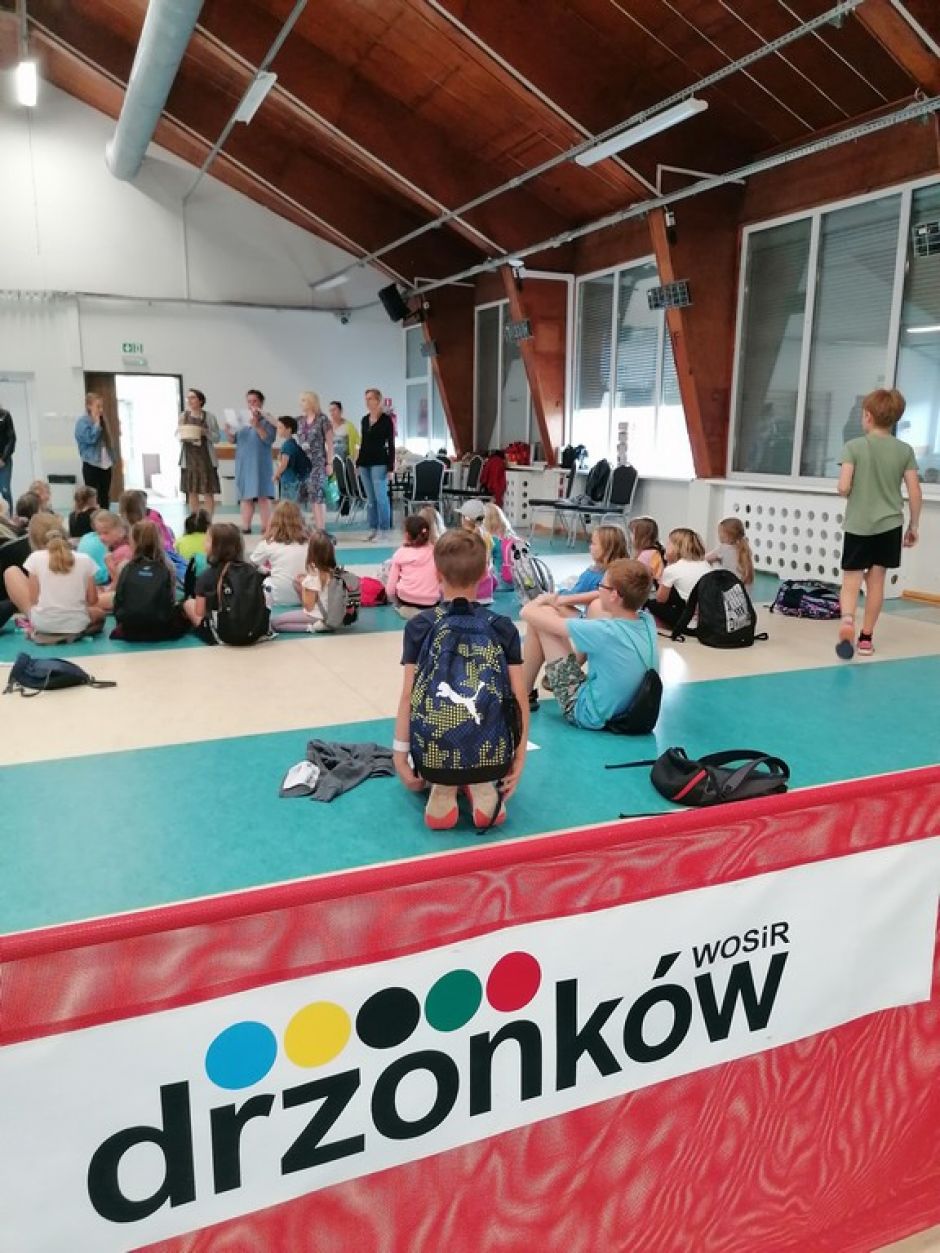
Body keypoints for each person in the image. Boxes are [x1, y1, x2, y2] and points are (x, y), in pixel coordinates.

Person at [393, 529, 528, 830]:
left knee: (440, 748)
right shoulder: (502, 627)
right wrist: (518, 759)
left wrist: (400, 756)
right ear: (484, 574)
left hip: (433, 756)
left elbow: (408, 696)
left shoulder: (419, 626)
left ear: (437, 574)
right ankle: (481, 786)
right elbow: (519, 698)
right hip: (493, 753)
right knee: (482, 742)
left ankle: (444, 789)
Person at [521, 559, 656, 730]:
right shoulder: (647, 621)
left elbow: (526, 612)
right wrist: (560, 601)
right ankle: (526, 692)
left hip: (587, 713)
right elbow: (597, 600)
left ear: (614, 595)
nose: (598, 590)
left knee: (542, 616)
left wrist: (542, 600)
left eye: (601, 586)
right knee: (586, 608)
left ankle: (521, 695)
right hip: (627, 710)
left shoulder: (603, 631)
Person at [836, 387, 921, 659]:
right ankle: (866, 639)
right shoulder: (904, 450)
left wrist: (850, 491)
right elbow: (915, 491)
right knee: (876, 582)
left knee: (851, 580)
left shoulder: (853, 447)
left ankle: (847, 620)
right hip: (890, 526)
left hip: (858, 525)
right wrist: (913, 526)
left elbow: (843, 486)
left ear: (867, 416)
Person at [3, 512, 105, 640]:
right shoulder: (84, 559)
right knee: (98, 613)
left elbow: (34, 600)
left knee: (11, 572)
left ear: (32, 539)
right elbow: (93, 600)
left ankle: (39, 624)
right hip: (77, 623)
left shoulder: (35, 558)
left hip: (43, 624)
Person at [112, 520, 188, 642]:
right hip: (159, 627)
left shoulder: (126, 566)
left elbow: (119, 598)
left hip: (130, 628)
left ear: (134, 542)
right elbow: (171, 599)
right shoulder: (167, 566)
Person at [270, 529, 345, 634]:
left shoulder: (313, 576)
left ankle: (314, 627)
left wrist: (304, 585)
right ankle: (323, 624)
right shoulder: (337, 571)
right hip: (335, 614)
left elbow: (308, 606)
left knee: (275, 623)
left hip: (318, 615)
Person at [228, 388, 276, 534]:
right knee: (246, 497)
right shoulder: (241, 421)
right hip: (244, 463)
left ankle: (266, 527)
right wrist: (229, 431)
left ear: (261, 403)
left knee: (263, 497)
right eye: (249, 401)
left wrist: (257, 426)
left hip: (261, 464)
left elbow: (268, 439)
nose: (251, 404)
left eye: (254, 401)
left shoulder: (268, 420)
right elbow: (232, 440)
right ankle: (246, 526)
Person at [182, 521, 243, 631]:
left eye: (207, 540)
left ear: (216, 547)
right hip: (247, 626)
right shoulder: (249, 570)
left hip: (222, 630)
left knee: (189, 603)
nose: (203, 542)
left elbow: (199, 612)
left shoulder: (206, 575)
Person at [648, 528, 712, 630]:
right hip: (708, 619)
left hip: (689, 623)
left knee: (651, 603)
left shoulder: (672, 569)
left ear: (675, 547)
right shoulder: (705, 564)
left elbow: (661, 599)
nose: (665, 547)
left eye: (668, 543)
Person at [250, 500, 309, 606]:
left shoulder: (268, 543)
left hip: (279, 596)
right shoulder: (310, 542)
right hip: (307, 594)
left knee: (265, 580)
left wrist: (265, 570)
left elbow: (252, 564)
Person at [386, 514, 441, 620]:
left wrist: (394, 602)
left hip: (406, 600)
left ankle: (406, 611)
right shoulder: (436, 551)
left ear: (406, 535)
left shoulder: (401, 553)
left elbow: (390, 589)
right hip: (432, 603)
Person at [357, 387, 395, 541]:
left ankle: (384, 529)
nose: (367, 402)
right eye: (366, 399)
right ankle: (373, 528)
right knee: (371, 499)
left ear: (378, 400)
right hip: (364, 462)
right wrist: (358, 463)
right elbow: (363, 442)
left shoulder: (386, 420)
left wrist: (391, 467)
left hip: (379, 462)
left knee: (381, 497)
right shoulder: (364, 420)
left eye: (370, 399)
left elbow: (391, 444)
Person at [177, 387, 220, 515]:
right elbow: (177, 434)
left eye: (193, 397)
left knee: (208, 491)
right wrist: (184, 434)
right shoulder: (183, 416)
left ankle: (208, 520)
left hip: (206, 459)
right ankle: (194, 519)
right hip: (189, 458)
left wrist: (205, 432)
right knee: (192, 491)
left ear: (200, 400)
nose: (189, 400)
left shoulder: (209, 417)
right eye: (188, 398)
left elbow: (217, 438)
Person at [296, 391, 334, 533]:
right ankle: (317, 526)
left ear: (311, 402)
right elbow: (281, 425)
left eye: (304, 400)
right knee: (311, 495)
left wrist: (329, 463)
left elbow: (330, 443)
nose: (301, 403)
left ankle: (321, 528)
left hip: (319, 462)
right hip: (304, 463)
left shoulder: (323, 420)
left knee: (318, 494)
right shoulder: (300, 420)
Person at [74, 392, 113, 509]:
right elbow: (90, 439)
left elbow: (107, 441)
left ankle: (105, 516)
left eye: (102, 406)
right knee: (92, 496)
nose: (101, 410)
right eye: (98, 406)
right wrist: (96, 424)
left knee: (104, 495)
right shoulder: (82, 422)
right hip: (91, 464)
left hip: (105, 464)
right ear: (89, 406)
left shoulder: (102, 420)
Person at [458, 499, 495, 604]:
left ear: (465, 518)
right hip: (487, 593)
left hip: (468, 595)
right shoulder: (487, 537)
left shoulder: (460, 538)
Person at [705, 516, 754, 587]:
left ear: (726, 535)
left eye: (719, 532)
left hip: (728, 590)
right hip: (743, 591)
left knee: (714, 564)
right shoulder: (745, 549)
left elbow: (704, 559)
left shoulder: (723, 548)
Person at [273, 416, 308, 503]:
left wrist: (276, 475)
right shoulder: (293, 443)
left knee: (287, 505)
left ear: (288, 429)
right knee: (293, 504)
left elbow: (284, 464)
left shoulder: (287, 445)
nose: (278, 430)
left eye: (280, 427)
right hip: (294, 480)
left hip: (288, 481)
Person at [628, 516, 666, 582]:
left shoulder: (646, 555)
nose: (630, 536)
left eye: (632, 533)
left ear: (641, 536)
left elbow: (638, 577)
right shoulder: (657, 549)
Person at [328, 400, 360, 465]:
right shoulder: (327, 427)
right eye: (330, 411)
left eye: (334, 410)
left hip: (347, 462)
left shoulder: (349, 426)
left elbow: (358, 444)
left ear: (341, 411)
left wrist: (355, 459)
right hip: (331, 463)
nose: (332, 413)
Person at [0, 403, 15, 511]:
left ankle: (9, 516)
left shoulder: (5, 415)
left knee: (5, 491)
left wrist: (3, 459)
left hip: (3, 460)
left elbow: (11, 439)